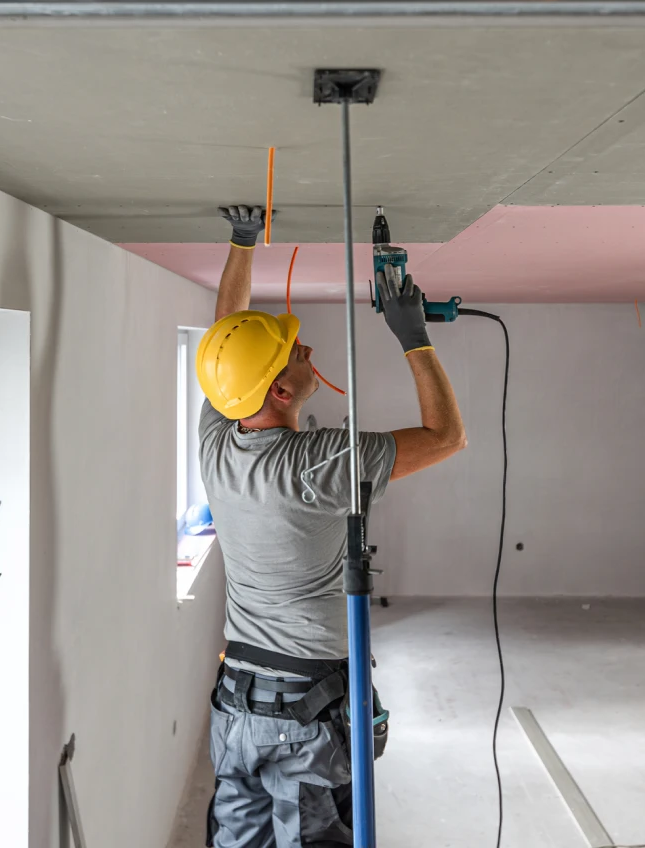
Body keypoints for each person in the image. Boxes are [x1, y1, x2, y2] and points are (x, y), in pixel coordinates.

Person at [197, 205, 467, 848]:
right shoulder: (318, 463)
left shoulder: (217, 441)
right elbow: (446, 437)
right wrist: (414, 338)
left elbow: (226, 336)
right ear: (280, 392)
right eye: (294, 353)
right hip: (303, 714)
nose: (308, 349)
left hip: (237, 710)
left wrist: (242, 243)